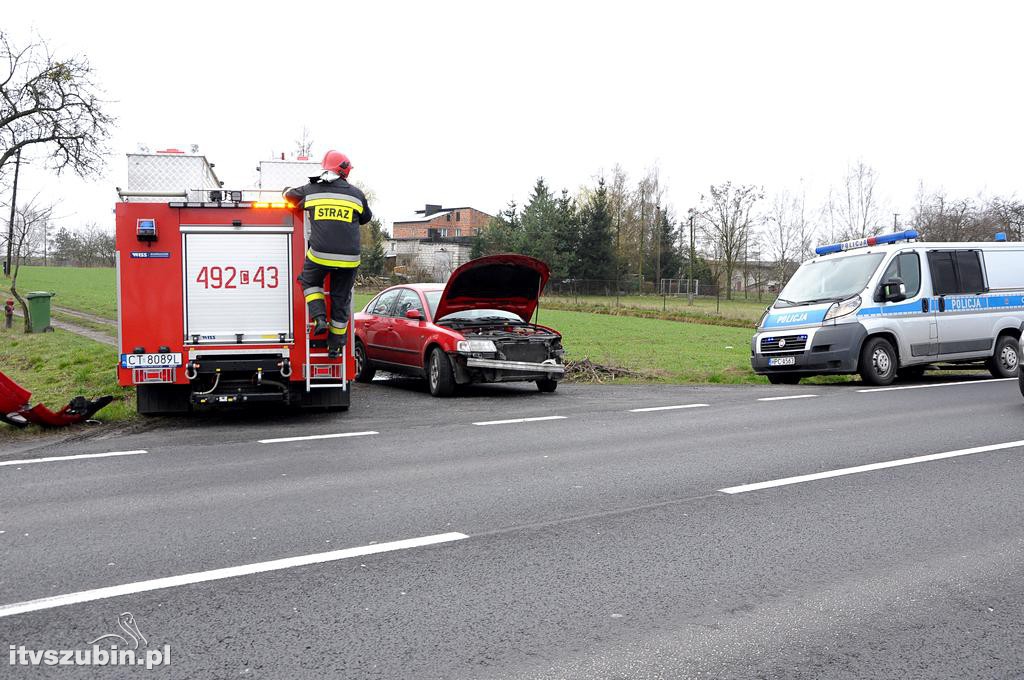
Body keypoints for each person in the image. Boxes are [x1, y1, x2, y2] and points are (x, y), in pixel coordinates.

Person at [284, 150, 372, 358]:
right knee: (341, 298)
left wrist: (289, 191)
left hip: (320, 255)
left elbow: (289, 196)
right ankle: (335, 345)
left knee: (308, 280)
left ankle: (319, 318)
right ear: (346, 171)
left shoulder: (312, 190)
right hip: (350, 259)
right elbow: (366, 218)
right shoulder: (357, 194)